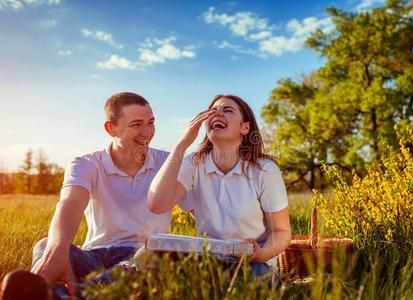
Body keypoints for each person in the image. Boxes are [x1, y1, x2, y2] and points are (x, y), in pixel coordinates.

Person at [20, 92, 170, 297]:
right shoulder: (86, 164)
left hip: (141, 257)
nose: (147, 132)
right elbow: (71, 203)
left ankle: (71, 294)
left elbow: (200, 206)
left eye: (151, 122)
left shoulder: (169, 163)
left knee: (152, 256)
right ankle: (42, 288)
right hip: (94, 257)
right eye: (136, 124)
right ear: (111, 128)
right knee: (46, 244)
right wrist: (58, 248)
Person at [147, 94, 291, 278]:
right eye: (213, 112)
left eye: (227, 110)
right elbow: (156, 204)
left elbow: (282, 232)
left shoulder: (265, 170)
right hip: (207, 261)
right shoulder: (193, 163)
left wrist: (261, 254)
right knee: (146, 257)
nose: (217, 115)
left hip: (252, 265)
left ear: (245, 127)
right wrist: (181, 146)